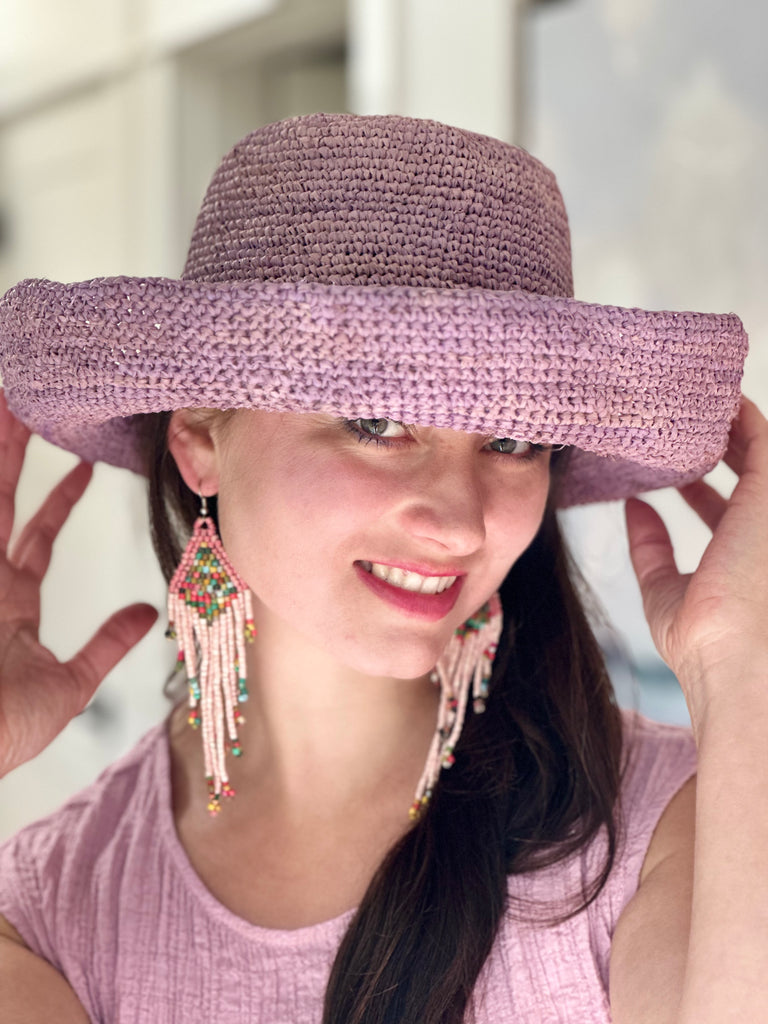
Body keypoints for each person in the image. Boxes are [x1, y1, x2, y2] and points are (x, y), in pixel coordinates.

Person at [0, 112, 764, 1024]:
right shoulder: (58, 906)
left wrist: (744, 666)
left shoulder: (675, 829)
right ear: (201, 439)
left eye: (513, 440)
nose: (457, 524)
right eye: (376, 423)